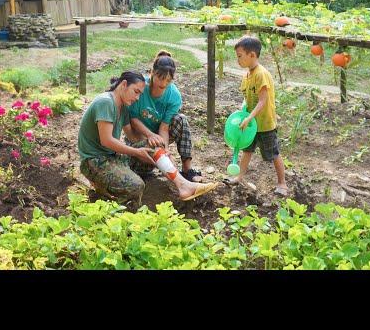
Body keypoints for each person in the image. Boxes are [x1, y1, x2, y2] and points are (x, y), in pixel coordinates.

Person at [78, 70, 218, 207]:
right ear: (124, 85)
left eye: (140, 94)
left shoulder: (124, 107)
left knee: (154, 145)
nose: (138, 98)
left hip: (113, 157)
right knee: (137, 186)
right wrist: (137, 152)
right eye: (136, 92)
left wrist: (157, 151)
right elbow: (107, 141)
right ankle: (108, 201)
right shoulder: (106, 102)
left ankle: (183, 185)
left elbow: (133, 138)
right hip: (94, 162)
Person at [224, 36, 289, 196]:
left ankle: (282, 184)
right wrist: (242, 113)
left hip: (264, 123)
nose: (238, 60)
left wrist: (249, 118)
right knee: (247, 150)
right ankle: (239, 177)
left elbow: (262, 101)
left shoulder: (261, 74)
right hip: (250, 124)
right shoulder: (247, 75)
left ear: (252, 55)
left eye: (240, 56)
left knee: (273, 153)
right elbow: (248, 100)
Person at [126, 50, 204, 182]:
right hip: (139, 134)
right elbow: (132, 119)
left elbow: (164, 127)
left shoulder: (174, 95)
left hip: (159, 135)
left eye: (168, 80)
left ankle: (187, 170)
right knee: (142, 170)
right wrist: (150, 136)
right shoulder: (140, 88)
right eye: (160, 78)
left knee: (181, 120)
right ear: (152, 72)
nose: (163, 83)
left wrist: (165, 149)